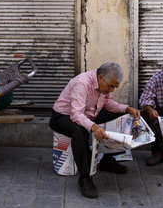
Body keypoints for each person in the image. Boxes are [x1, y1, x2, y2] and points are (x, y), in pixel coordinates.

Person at [50, 62, 141, 198]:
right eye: (110, 86)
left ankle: (107, 161)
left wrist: (126, 109)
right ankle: (85, 178)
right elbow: (76, 114)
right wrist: (93, 126)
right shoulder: (82, 83)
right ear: (100, 77)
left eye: (114, 87)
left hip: (89, 115)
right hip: (63, 116)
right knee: (79, 131)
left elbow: (108, 104)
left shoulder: (106, 86)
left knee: (125, 117)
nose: (111, 91)